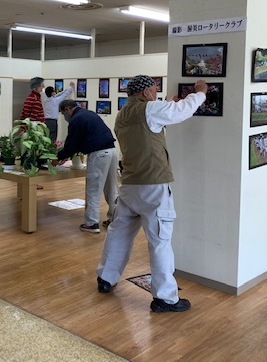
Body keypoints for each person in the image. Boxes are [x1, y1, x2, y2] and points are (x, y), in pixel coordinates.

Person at [96, 75, 208, 314]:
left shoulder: (123, 114)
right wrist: (200, 93)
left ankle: (106, 277)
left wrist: (167, 102)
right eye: (155, 90)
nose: (156, 94)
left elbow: (151, 125)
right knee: (160, 241)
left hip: (130, 184)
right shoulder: (150, 109)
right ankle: (165, 298)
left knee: (119, 233)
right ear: (146, 92)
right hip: (154, 186)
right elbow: (181, 111)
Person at [56, 99, 118, 233]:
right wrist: (66, 154)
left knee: (93, 189)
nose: (64, 116)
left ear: (67, 109)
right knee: (111, 187)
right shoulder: (88, 114)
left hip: (98, 154)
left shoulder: (76, 120)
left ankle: (91, 223)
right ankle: (114, 219)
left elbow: (72, 143)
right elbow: (78, 142)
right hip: (112, 151)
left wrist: (58, 157)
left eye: (62, 113)